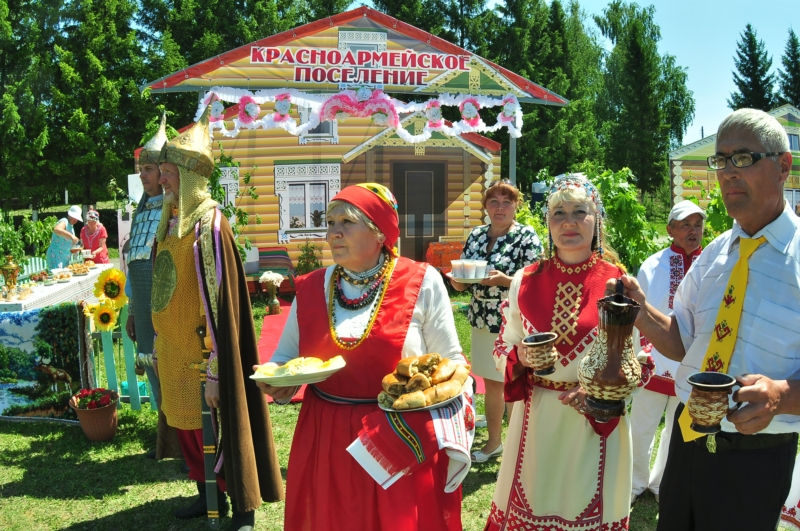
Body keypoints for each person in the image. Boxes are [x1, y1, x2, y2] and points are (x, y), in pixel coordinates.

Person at [612, 108, 799, 531]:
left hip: (756, 457)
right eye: (721, 160)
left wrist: (782, 396)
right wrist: (640, 309)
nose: (729, 172)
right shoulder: (714, 255)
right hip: (687, 438)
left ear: (783, 166)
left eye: (744, 158)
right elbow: (684, 342)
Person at [255, 183, 468, 531]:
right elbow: (285, 356)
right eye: (330, 222)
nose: (333, 234)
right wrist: (276, 380)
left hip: (400, 432)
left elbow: (453, 361)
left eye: (346, 223)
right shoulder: (311, 286)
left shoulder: (422, 280)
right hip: (327, 434)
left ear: (379, 231)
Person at [152, 106, 283, 530]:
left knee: (223, 425)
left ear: (190, 175)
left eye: (169, 171)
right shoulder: (169, 221)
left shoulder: (210, 224)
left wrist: (215, 366)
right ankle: (206, 494)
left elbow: (219, 300)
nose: (163, 178)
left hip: (205, 351)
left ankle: (242, 506)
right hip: (173, 349)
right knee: (190, 430)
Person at [486, 174, 634, 531]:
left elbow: (639, 354)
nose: (569, 222)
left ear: (596, 220)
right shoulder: (525, 279)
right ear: (548, 223)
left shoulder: (618, 281)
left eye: (579, 212)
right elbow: (502, 344)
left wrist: (598, 389)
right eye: (559, 213)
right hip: (535, 417)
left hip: (593, 420)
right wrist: (520, 357)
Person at [449, 178, 541, 463]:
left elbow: (537, 280)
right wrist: (458, 281)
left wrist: (506, 280)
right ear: (486, 206)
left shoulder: (526, 236)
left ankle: (518, 446)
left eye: (506, 202)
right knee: (491, 383)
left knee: (512, 380)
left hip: (511, 319)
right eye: (494, 202)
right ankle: (494, 443)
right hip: (481, 319)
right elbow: (462, 280)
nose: (499, 208)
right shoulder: (476, 235)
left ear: (516, 207)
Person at [629, 199, 705, 505]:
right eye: (685, 224)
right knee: (641, 425)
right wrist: (635, 355)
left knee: (678, 428)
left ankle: (663, 483)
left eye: (697, 224)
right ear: (670, 229)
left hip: (692, 364)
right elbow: (636, 312)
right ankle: (633, 484)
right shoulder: (653, 264)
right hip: (653, 361)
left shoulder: (711, 263)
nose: (692, 230)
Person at [124, 113, 182, 461]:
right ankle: (167, 441)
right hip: (145, 309)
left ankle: (182, 440)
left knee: (173, 370)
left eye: (148, 169)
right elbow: (134, 266)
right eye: (142, 170)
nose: (143, 175)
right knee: (154, 369)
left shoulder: (176, 212)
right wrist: (132, 311)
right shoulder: (143, 210)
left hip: (171, 309)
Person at [45, 205, 82, 269]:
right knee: (58, 277)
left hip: (64, 258)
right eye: (74, 217)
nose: (75, 220)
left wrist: (77, 247)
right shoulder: (64, 221)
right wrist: (72, 236)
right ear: (69, 215)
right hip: (56, 256)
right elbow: (57, 229)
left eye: (77, 218)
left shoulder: (71, 226)